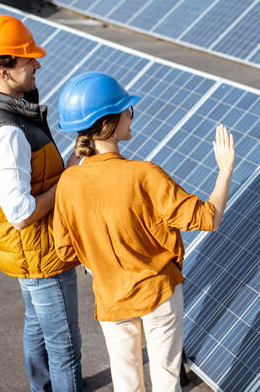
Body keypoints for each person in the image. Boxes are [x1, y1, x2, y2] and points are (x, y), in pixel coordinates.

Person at [52, 72, 235, 392]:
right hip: (158, 293)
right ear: (108, 122)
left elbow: (65, 251)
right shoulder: (144, 175)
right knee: (166, 380)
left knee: (127, 384)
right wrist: (225, 170)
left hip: (110, 300)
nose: (131, 116)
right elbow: (209, 218)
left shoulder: (68, 183)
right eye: (127, 110)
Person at [0, 15, 82, 391]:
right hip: (39, 254)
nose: (37, 64)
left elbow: (32, 176)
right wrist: (67, 183)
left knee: (37, 324)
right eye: (27, 58)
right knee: (65, 348)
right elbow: (20, 213)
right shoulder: (6, 132)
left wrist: (73, 161)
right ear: (3, 70)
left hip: (27, 254)